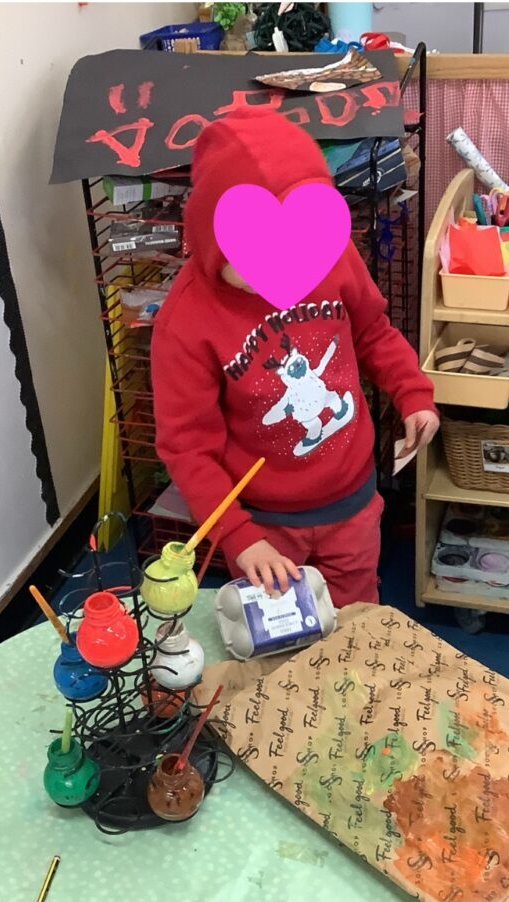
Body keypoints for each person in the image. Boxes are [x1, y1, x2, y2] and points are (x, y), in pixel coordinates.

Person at [151, 108, 438, 607]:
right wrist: (237, 534)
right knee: (281, 630)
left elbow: (373, 331)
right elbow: (188, 447)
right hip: (264, 521)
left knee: (357, 618)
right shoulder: (186, 321)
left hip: (352, 498)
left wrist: (413, 392)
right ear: (215, 237)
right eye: (259, 259)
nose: (285, 276)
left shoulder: (330, 252)